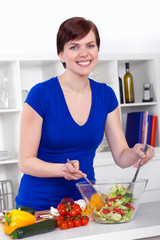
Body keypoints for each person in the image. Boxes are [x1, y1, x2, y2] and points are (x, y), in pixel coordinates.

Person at [15, 17, 155, 211]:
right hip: (39, 207)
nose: (84, 53)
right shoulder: (41, 94)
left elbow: (122, 157)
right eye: (74, 47)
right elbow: (26, 162)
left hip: (86, 205)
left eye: (90, 45)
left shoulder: (106, 95)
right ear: (61, 54)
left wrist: (136, 152)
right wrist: (61, 169)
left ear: (97, 50)